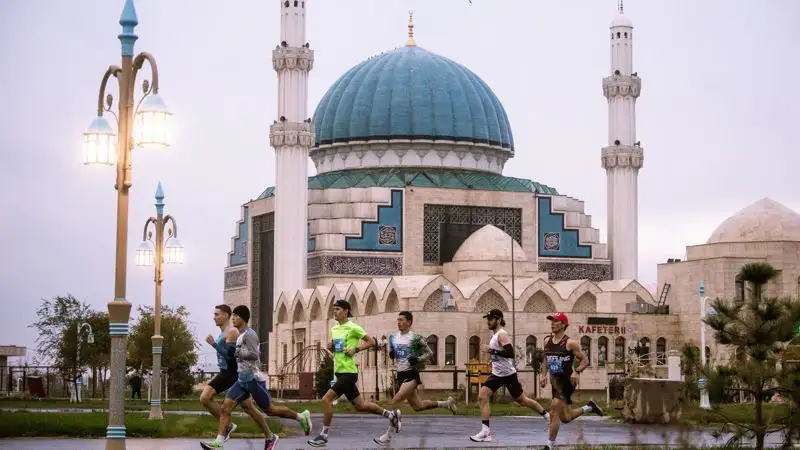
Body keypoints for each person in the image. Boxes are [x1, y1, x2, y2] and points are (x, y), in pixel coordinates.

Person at [201, 305, 312, 450]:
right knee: (225, 409)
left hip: (253, 379)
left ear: (243, 319)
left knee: (270, 410)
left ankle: (301, 417)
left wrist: (237, 353)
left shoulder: (249, 334)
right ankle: (219, 442)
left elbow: (255, 355)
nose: (233, 318)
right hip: (241, 380)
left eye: (236, 316)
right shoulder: (240, 335)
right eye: (233, 316)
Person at [307, 299, 401, 447]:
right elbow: (338, 348)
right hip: (339, 371)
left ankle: (323, 435)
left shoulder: (353, 328)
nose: (335, 312)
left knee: (326, 399)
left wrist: (355, 350)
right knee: (360, 406)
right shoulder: (334, 329)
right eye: (334, 309)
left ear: (346, 311)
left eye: (338, 309)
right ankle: (391, 415)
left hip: (349, 372)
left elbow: (371, 342)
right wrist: (332, 346)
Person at [373, 311, 458, 446]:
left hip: (411, 374)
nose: (398, 322)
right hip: (400, 374)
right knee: (418, 406)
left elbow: (429, 353)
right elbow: (395, 355)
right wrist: (392, 353)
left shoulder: (416, 338)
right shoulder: (394, 338)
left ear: (409, 322)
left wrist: (417, 359)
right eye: (398, 320)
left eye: (401, 320)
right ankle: (446, 404)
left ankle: (388, 435)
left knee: (395, 400)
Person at [470, 309, 550, 443]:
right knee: (482, 396)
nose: (488, 321)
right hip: (497, 374)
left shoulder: (502, 334)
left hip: (508, 374)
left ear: (499, 320)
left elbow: (510, 353)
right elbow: (501, 354)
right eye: (487, 319)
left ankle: (547, 416)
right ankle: (485, 432)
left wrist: (491, 350)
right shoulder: (494, 335)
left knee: (522, 401)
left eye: (490, 319)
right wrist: (493, 358)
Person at [200, 304, 266, 442]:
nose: (214, 317)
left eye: (217, 314)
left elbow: (230, 356)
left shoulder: (232, 332)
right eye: (214, 315)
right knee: (249, 408)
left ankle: (229, 428)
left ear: (225, 315)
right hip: (226, 372)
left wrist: (213, 344)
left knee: (206, 397)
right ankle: (269, 434)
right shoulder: (223, 333)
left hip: (233, 373)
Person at [539, 312, 604, 450]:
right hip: (554, 382)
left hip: (567, 382)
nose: (552, 323)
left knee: (554, 410)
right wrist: (543, 374)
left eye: (556, 321)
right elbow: (545, 360)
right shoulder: (547, 341)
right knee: (566, 418)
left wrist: (577, 371)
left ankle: (549, 445)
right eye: (551, 321)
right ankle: (590, 407)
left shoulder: (570, 343)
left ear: (563, 324)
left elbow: (585, 360)